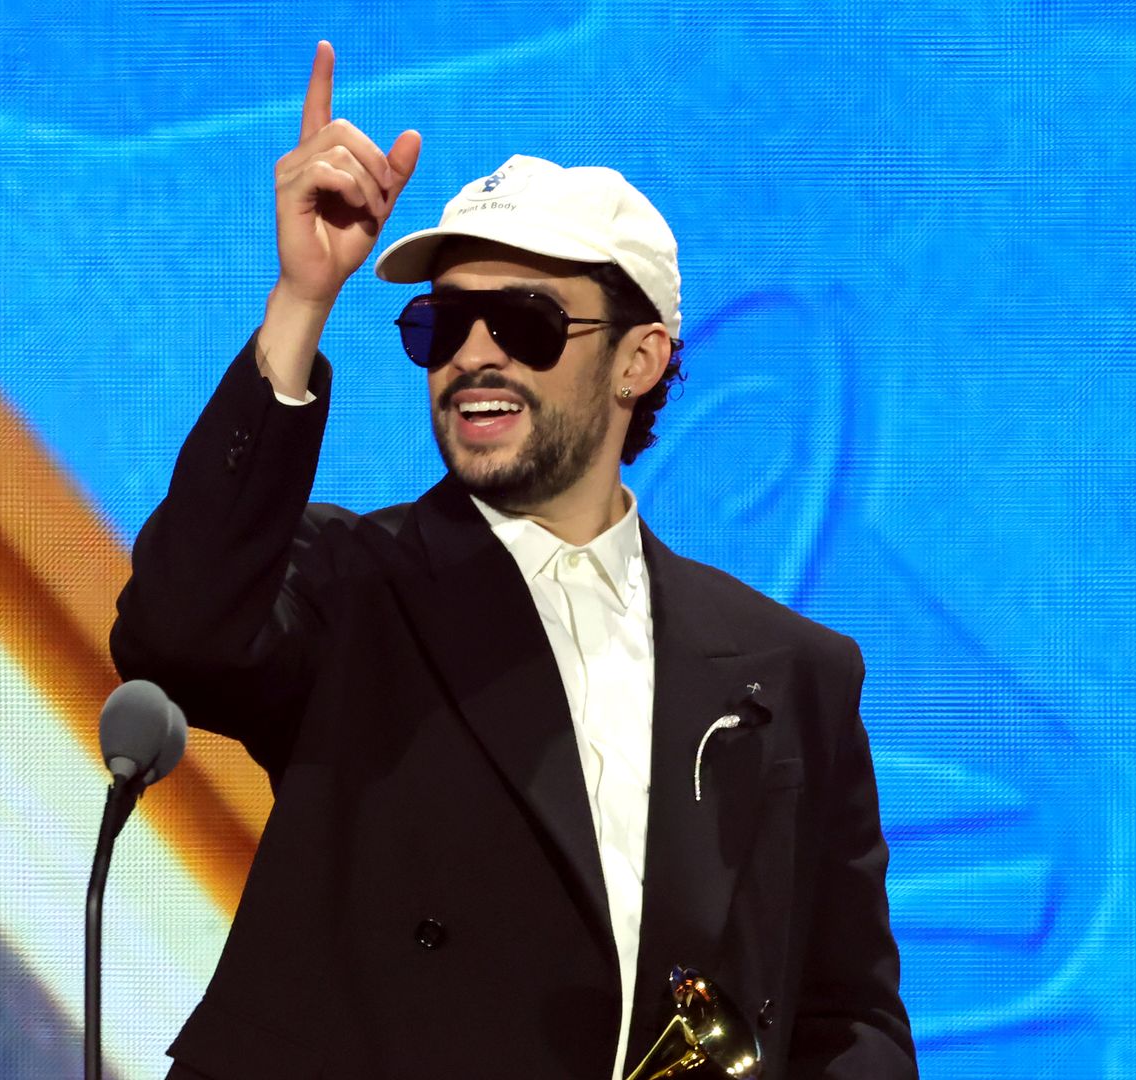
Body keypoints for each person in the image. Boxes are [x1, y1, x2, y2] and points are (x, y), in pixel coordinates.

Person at [111, 41, 916, 1080]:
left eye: (528, 322)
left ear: (640, 359)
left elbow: (845, 1020)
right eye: (443, 322)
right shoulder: (356, 585)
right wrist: (303, 302)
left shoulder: (791, 671)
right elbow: (178, 633)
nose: (474, 354)